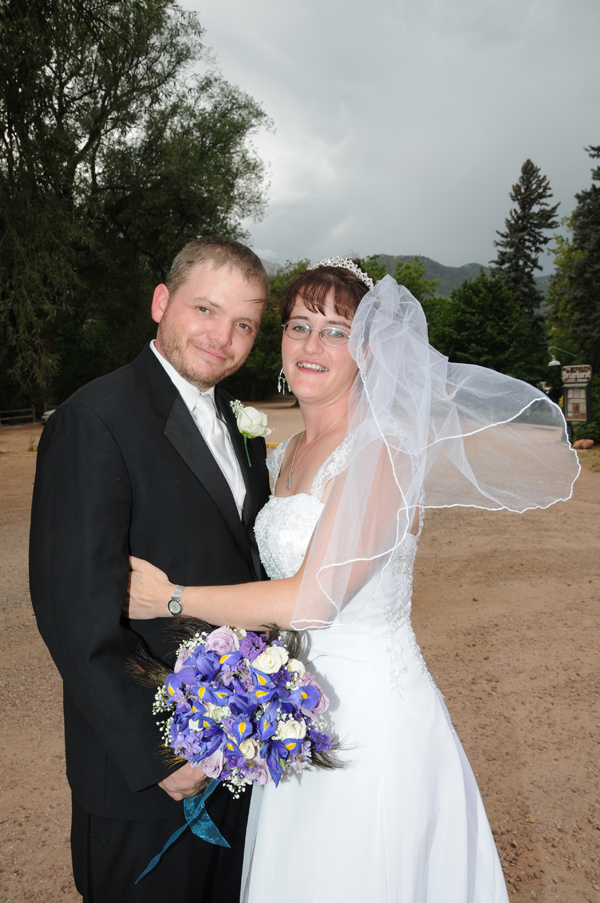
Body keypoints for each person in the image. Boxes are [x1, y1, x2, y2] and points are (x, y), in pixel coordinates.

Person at [128, 258, 579, 903]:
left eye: (337, 332)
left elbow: (312, 599)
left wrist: (171, 599)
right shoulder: (283, 454)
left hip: (369, 719)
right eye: (300, 326)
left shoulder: (383, 451)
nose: (312, 345)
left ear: (368, 352)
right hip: (288, 712)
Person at [29, 236, 271, 903]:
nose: (222, 337)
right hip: (147, 780)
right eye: (205, 309)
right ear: (161, 302)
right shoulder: (94, 419)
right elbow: (73, 613)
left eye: (243, 324)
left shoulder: (240, 424)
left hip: (240, 754)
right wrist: (161, 747)